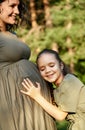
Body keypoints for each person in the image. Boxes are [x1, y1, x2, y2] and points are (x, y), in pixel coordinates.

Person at [0, 1, 57, 130]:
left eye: (18, 7)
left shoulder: (13, 35)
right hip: (10, 104)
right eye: (12, 6)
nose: (17, 12)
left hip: (31, 101)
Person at [21, 49, 85, 130]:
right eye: (42, 69)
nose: (48, 70)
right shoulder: (57, 90)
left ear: (61, 65)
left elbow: (60, 116)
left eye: (51, 65)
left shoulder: (70, 82)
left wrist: (37, 96)